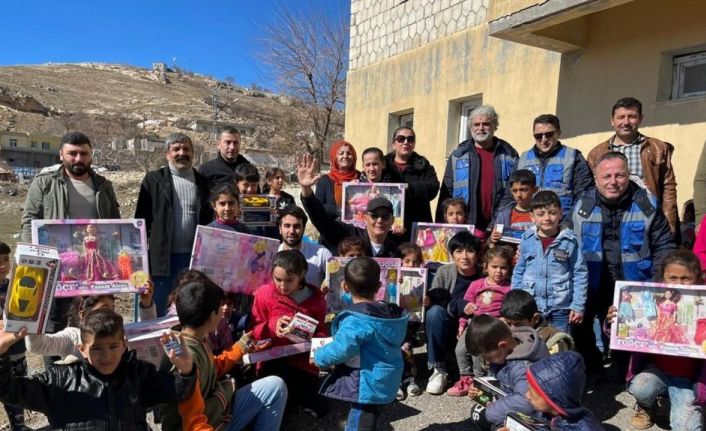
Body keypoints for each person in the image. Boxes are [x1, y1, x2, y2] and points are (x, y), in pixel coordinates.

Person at [569, 151, 675, 376]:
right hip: (591, 280)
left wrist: (658, 281)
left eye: (619, 175)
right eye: (606, 176)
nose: (613, 182)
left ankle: (624, 369)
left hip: (633, 280)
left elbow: (664, 245)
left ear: (629, 176)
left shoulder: (647, 205)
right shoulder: (581, 205)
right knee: (582, 328)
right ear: (596, 178)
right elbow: (566, 241)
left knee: (628, 332)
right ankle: (592, 366)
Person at [0, 309, 196, 430]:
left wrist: (186, 371)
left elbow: (178, 392)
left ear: (124, 344)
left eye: (113, 347)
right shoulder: (63, 380)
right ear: (82, 349)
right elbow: (10, 390)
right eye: (96, 349)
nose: (106, 356)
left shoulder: (139, 375)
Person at [20, 131, 121, 350]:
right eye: (72, 153)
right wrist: (33, 260)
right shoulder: (45, 183)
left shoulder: (104, 186)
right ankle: (55, 373)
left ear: (91, 156)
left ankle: (86, 367)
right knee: (53, 322)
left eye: (83, 153)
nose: (78, 158)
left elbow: (115, 223)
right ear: (61, 155)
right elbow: (29, 221)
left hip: (94, 269)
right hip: (57, 268)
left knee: (91, 321)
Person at [160, 277, 288, 430]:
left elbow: (212, 367)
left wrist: (239, 347)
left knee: (274, 385)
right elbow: (192, 421)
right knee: (276, 388)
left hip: (212, 412)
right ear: (212, 315)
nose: (224, 311)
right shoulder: (185, 358)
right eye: (220, 307)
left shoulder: (193, 339)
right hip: (206, 423)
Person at [604, 250, 705, 430]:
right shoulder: (649, 296)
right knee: (640, 388)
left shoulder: (702, 302)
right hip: (656, 370)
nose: (678, 283)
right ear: (663, 278)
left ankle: (683, 401)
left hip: (688, 379)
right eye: (672, 277)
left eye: (685, 278)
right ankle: (645, 405)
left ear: (697, 278)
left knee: (687, 428)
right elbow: (626, 333)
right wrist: (613, 321)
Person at [313, 257, 408, 431]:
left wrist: (318, 357)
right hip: (386, 377)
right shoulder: (389, 314)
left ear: (345, 287)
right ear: (379, 286)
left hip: (366, 382)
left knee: (359, 422)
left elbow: (341, 349)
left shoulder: (356, 320)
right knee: (371, 414)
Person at [135, 132, 212, 315]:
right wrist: (138, 260)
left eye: (186, 149)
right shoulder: (153, 180)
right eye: (176, 149)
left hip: (193, 259)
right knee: (155, 307)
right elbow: (141, 220)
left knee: (189, 309)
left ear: (193, 153)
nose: (181, 153)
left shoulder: (204, 183)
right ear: (167, 154)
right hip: (161, 259)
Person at [251, 250, 329, 417]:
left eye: (289, 280)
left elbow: (321, 331)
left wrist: (309, 335)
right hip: (271, 357)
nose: (282, 286)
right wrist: (273, 326)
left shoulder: (316, 299)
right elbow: (254, 330)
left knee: (318, 405)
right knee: (278, 397)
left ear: (302, 274)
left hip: (303, 360)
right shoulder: (264, 294)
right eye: (277, 279)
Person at [588, 97, 678, 235]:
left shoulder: (657, 148)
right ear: (612, 120)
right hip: (610, 219)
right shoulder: (597, 153)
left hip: (648, 217)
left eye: (632, 117)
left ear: (641, 119)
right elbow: (590, 190)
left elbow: (668, 188)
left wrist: (669, 223)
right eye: (621, 117)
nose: (626, 122)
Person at [298, 153, 401, 257]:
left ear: (392, 220)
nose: (380, 220)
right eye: (374, 215)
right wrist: (306, 190)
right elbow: (321, 219)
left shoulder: (394, 250)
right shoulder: (348, 234)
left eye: (385, 216)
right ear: (365, 218)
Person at [512, 191, 587, 332]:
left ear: (560, 213)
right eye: (541, 214)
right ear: (532, 217)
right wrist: (516, 301)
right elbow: (519, 271)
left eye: (552, 213)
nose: (547, 218)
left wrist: (578, 305)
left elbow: (580, 273)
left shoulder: (570, 241)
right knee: (532, 346)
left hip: (560, 308)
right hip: (532, 307)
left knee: (559, 347)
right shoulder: (527, 239)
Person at [437, 105, 518, 231]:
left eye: (485, 124)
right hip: (465, 223)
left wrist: (498, 221)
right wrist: (440, 225)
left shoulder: (509, 155)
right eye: (476, 124)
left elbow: (512, 192)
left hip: (499, 223)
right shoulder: (458, 156)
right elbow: (447, 192)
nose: (481, 128)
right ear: (471, 127)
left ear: (494, 126)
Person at [465, 314, 549, 430]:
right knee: (477, 410)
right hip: (511, 398)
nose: (487, 361)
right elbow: (501, 381)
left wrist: (490, 411)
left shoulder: (522, 365)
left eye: (488, 357)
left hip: (536, 416)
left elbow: (526, 402)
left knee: (482, 415)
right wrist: (482, 391)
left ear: (502, 346)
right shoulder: (505, 352)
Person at [449, 246, 513, 397]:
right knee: (460, 350)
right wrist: (462, 324)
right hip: (474, 324)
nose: (498, 271)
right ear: (486, 267)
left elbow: (510, 310)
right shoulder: (476, 285)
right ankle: (465, 378)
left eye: (503, 267)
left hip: (492, 327)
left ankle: (479, 382)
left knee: (479, 354)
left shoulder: (509, 288)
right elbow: (467, 307)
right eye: (494, 266)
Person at [26, 287, 156, 360]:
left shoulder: (119, 334)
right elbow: (38, 345)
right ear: (83, 315)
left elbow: (146, 333)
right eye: (104, 309)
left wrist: (146, 303)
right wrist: (33, 313)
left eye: (112, 309)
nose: (110, 314)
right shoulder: (73, 337)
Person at [423, 230, 481, 395]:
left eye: (470, 251)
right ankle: (438, 368)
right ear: (452, 254)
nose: (464, 256)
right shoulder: (444, 272)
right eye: (459, 251)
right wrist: (460, 306)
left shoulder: (484, 274)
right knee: (434, 313)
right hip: (447, 326)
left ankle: (479, 373)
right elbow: (435, 298)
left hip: (471, 328)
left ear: (477, 254)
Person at [508, 114, 593, 218]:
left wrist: (569, 221)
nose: (544, 140)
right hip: (528, 222)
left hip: (562, 222)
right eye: (538, 136)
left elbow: (584, 193)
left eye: (549, 134)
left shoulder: (573, 157)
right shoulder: (523, 159)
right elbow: (510, 193)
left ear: (558, 133)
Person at [501, 352, 604, 431]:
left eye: (533, 393)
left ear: (553, 400)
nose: (527, 395)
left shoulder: (588, 428)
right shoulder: (547, 413)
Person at [385, 127, 440, 232]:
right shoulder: (383, 164)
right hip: (388, 225)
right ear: (393, 144)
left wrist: (411, 188)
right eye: (401, 139)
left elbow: (433, 188)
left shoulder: (423, 164)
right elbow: (370, 180)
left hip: (416, 223)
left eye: (410, 139)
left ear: (414, 144)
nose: (406, 142)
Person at [0, 242, 29, 431]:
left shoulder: (15, 285)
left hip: (17, 349)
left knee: (18, 390)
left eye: (5, 260)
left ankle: (18, 425)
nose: (3, 265)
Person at [500, 290, 574, 355]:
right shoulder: (508, 335)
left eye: (518, 324)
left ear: (535, 319)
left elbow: (555, 369)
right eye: (509, 324)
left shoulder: (554, 341)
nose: (512, 329)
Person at [277, 205, 332, 287]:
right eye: (287, 226)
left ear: (303, 228)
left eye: (297, 226)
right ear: (280, 229)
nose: (292, 231)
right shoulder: (271, 253)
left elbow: (337, 280)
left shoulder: (321, 253)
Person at [396, 242, 424, 400]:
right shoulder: (393, 277)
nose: (411, 265)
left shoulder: (422, 278)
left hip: (411, 321)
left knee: (407, 349)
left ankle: (408, 379)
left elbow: (421, 300)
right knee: (394, 349)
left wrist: (426, 300)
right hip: (394, 321)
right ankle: (396, 382)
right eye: (406, 261)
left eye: (415, 262)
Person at [490, 169, 538, 246]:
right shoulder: (503, 215)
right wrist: (492, 239)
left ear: (535, 189)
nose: (519, 195)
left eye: (523, 190)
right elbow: (493, 244)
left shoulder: (541, 214)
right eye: (515, 191)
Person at [316, 140, 360, 220]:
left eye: (349, 153)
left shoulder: (361, 177)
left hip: (358, 228)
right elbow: (317, 206)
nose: (345, 156)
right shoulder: (325, 180)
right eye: (341, 153)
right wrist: (340, 210)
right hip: (333, 228)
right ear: (335, 157)